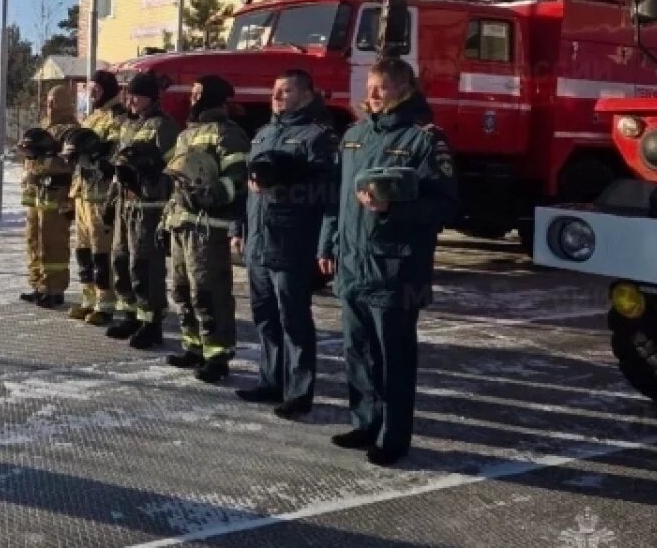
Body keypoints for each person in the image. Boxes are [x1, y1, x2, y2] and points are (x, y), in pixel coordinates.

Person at [318, 57, 458, 466]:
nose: (372, 94)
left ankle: (393, 436)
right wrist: (327, 246)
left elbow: (445, 206)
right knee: (357, 350)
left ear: (405, 89)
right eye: (369, 85)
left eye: (381, 86)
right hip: (352, 264)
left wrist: (390, 210)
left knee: (394, 356)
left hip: (396, 270)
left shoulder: (425, 139)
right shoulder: (355, 135)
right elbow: (336, 200)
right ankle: (365, 422)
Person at [231, 69, 340, 418]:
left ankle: (298, 390)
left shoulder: (317, 137)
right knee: (265, 317)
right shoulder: (263, 134)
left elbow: (327, 194)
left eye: (286, 90)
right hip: (259, 241)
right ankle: (270, 380)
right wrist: (238, 227)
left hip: (292, 240)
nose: (277, 96)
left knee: (293, 319)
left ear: (306, 94)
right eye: (274, 90)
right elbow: (246, 188)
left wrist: (325, 246)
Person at [162, 75, 250, 383]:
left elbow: (237, 176)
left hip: (208, 226)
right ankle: (193, 345)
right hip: (182, 222)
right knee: (182, 288)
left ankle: (217, 353)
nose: (193, 98)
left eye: (198, 93)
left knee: (209, 292)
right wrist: (167, 218)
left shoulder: (229, 134)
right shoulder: (187, 133)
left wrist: (212, 197)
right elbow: (177, 181)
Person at [106, 71, 179, 348]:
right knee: (121, 260)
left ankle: (152, 322)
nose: (130, 99)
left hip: (148, 206)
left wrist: (151, 173)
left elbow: (174, 168)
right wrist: (110, 202)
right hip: (125, 204)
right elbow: (118, 168)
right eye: (128, 93)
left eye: (136, 94)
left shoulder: (164, 126)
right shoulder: (128, 125)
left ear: (151, 97)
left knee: (145, 265)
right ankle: (131, 314)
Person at [67, 70, 129, 325]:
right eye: (89, 90)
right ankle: (88, 298)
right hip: (82, 192)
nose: (91, 94)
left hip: (100, 194)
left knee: (100, 252)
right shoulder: (92, 116)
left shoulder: (118, 118)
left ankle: (105, 303)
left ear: (107, 90)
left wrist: (97, 155)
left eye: (96, 90)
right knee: (82, 250)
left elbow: (115, 153)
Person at [19, 84, 80, 308]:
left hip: (56, 196)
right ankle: (38, 285)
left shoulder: (70, 130)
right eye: (48, 100)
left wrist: (43, 158)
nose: (49, 105)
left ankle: (54, 289)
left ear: (64, 102)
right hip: (37, 195)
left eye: (54, 101)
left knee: (53, 243)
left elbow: (68, 163)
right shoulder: (45, 126)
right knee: (33, 240)